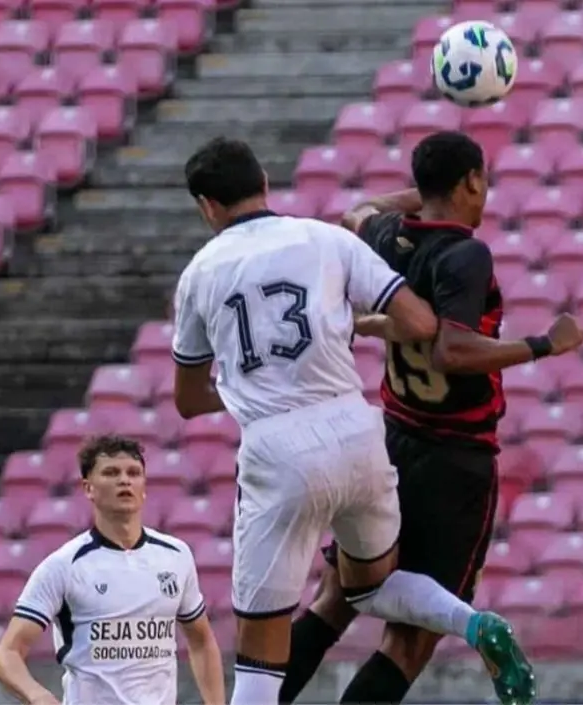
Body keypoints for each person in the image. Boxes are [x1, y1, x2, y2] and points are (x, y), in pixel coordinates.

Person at [171, 136, 533, 705]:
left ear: (207, 206)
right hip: (364, 434)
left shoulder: (200, 273)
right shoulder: (328, 240)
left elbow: (189, 400)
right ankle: (471, 623)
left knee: (273, 640)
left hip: (297, 446)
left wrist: (250, 386)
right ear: (264, 182)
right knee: (380, 602)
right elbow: (422, 325)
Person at [278, 130, 583, 705]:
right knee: (408, 641)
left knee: (333, 600)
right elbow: (454, 351)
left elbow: (357, 211)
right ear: (471, 181)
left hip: (390, 443)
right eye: (482, 179)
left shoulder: (384, 235)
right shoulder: (465, 254)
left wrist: (419, 195)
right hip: (455, 460)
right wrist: (545, 344)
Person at [0, 435, 226, 705]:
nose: (124, 480)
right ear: (88, 488)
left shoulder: (176, 556)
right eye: (111, 473)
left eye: (133, 473)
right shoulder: (63, 566)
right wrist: (38, 696)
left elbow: (202, 641)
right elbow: (6, 654)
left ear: (144, 486)